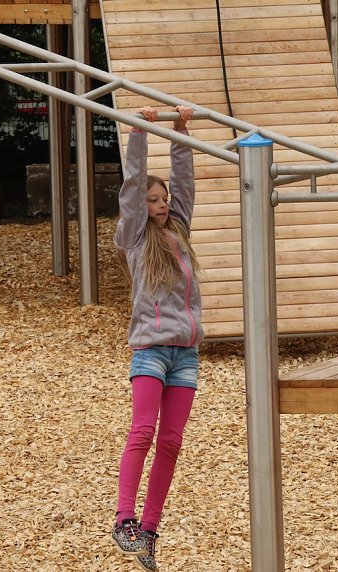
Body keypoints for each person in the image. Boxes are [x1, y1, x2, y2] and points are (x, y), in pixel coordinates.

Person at [110, 105, 202, 572]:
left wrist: (180, 131)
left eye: (162, 199)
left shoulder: (179, 231)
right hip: (150, 347)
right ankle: (124, 518)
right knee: (143, 432)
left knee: (171, 442)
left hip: (185, 353)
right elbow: (131, 188)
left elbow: (185, 184)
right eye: (153, 200)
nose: (161, 204)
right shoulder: (134, 237)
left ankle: (149, 530)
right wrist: (139, 133)